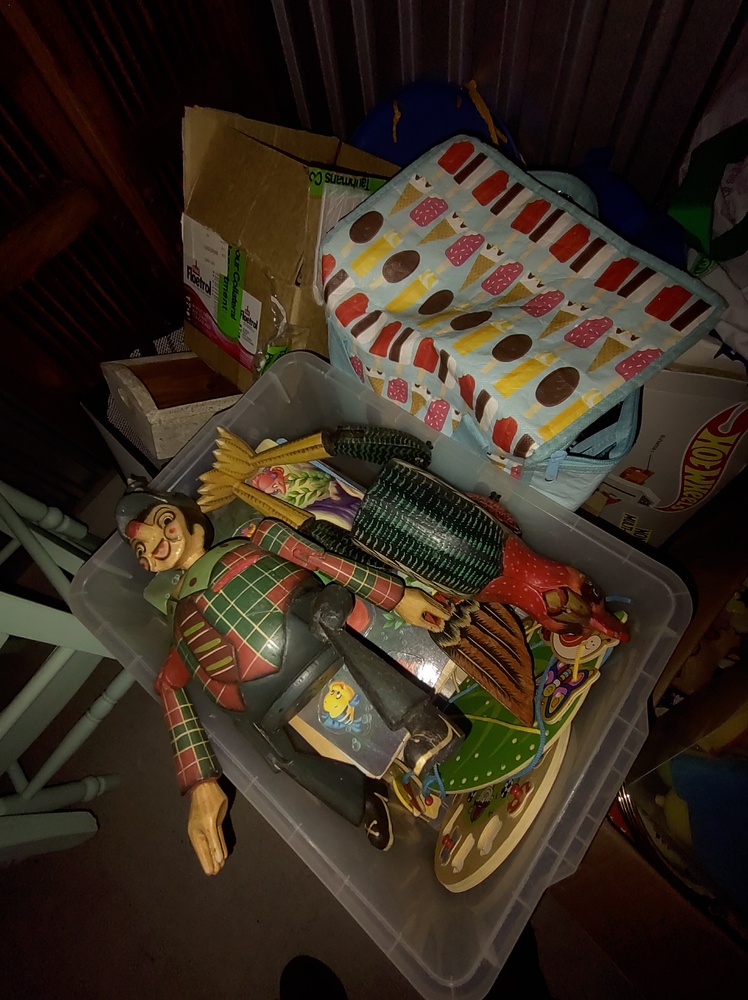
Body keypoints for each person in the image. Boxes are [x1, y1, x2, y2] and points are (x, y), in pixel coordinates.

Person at [116, 485, 462, 876]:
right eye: (140, 550)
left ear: (187, 512)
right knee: (272, 752)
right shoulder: (178, 618)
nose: (154, 546)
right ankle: (361, 802)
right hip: (260, 700)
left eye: (163, 522)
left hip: (309, 625)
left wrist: (395, 596)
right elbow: (169, 685)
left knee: (326, 617)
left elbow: (323, 560)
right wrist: (200, 783)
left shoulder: (255, 537)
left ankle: (424, 723)